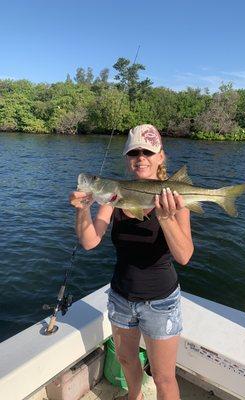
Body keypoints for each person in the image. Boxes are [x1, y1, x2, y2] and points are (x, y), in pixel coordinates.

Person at [70, 124, 194, 400]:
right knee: (126, 360)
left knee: (163, 377)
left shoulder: (175, 199)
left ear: (160, 156)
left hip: (161, 302)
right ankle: (133, 397)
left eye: (147, 151)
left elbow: (184, 256)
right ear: (127, 159)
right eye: (134, 152)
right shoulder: (114, 196)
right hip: (121, 297)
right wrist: (82, 211)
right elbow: (90, 242)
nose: (140, 157)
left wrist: (165, 217)